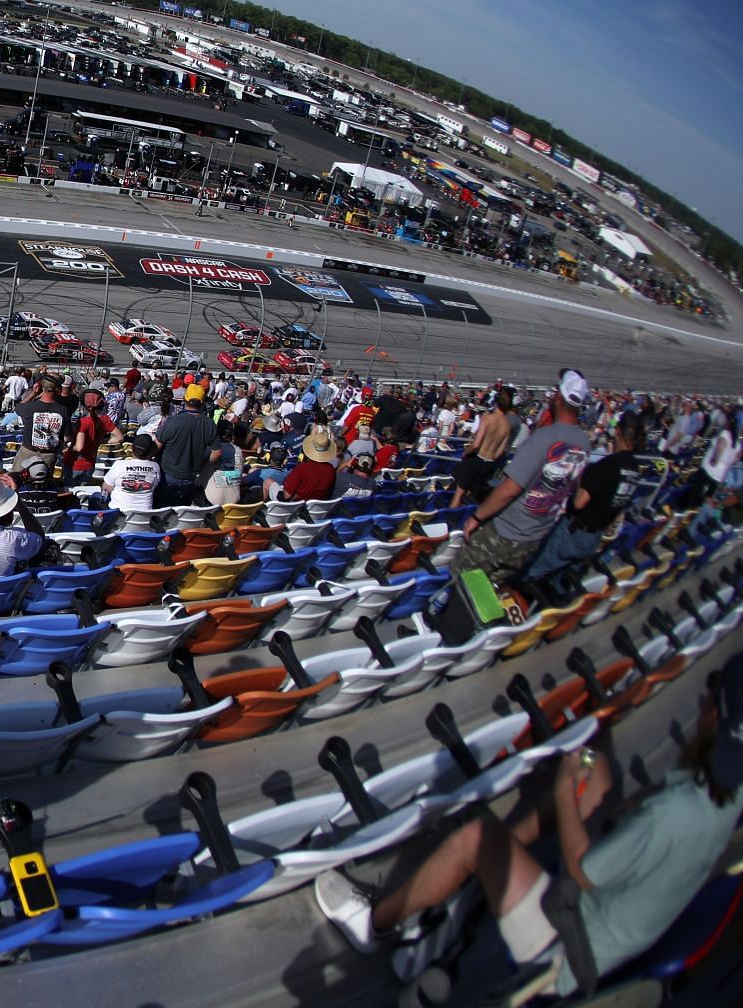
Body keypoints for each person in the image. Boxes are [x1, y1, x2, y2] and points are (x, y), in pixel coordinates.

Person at [318, 654, 743, 996]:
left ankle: (375, 923)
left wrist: (563, 790)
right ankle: (462, 896)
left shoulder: (673, 811)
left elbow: (583, 870)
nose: (704, 699)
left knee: (478, 837)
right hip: (606, 912)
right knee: (596, 781)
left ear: (712, 719)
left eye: (711, 692)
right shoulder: (730, 795)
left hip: (568, 948)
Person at [461, 371, 594, 596]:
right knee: (490, 590)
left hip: (507, 531)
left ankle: (443, 623)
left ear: (559, 399)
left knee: (463, 579)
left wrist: (477, 517)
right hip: (536, 535)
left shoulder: (545, 437)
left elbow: (510, 489)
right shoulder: (584, 443)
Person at [518, 411, 646, 593]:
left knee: (536, 570)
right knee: (559, 583)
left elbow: (579, 502)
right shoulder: (634, 470)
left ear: (618, 431)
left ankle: (515, 604)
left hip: (574, 531)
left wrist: (578, 481)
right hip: (594, 536)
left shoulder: (609, 464)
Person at [153, 383, 217, 508]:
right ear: (202, 402)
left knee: (162, 509)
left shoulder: (173, 421)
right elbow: (217, 452)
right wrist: (201, 465)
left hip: (168, 476)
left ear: (185, 399)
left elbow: (156, 447)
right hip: (191, 477)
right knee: (182, 511)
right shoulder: (210, 424)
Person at [452, 387, 516, 509]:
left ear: (496, 402)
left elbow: (476, 444)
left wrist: (466, 452)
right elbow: (499, 452)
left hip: (476, 459)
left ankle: (449, 521)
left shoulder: (487, 418)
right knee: (471, 497)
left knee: (459, 494)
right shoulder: (507, 426)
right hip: (489, 464)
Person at [271, 426, 339, 501]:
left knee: (269, 482)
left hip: (297, 506)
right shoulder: (331, 470)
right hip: (318, 507)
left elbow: (287, 495)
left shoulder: (302, 468)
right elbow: (329, 492)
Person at [102, 432, 162, 513]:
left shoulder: (119, 465)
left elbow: (106, 489)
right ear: (151, 451)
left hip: (117, 514)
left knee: (96, 496)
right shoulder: (155, 467)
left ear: (132, 449)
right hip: (144, 515)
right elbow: (153, 486)